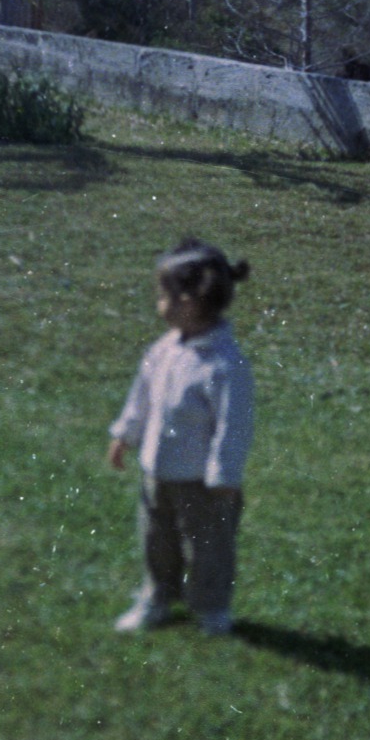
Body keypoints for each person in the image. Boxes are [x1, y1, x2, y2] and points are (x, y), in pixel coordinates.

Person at [107, 238, 254, 635]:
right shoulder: (164, 349)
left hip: (203, 483)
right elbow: (142, 396)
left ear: (188, 301)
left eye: (163, 295)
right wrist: (125, 434)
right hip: (158, 472)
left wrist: (224, 475)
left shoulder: (224, 365)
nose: (158, 302)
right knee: (158, 542)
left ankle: (211, 607)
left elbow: (233, 424)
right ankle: (157, 597)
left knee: (208, 548)